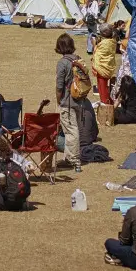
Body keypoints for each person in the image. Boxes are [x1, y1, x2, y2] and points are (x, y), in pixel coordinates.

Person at [54, 33, 83, 173]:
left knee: (71, 131)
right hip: (79, 99)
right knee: (73, 128)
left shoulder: (63, 63)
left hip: (68, 101)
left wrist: (58, 100)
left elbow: (59, 86)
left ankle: (72, 159)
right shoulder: (78, 59)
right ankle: (72, 157)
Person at [91, 26, 118, 105]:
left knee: (102, 91)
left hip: (102, 68)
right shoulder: (112, 41)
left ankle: (106, 107)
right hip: (108, 66)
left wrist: (94, 44)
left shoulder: (104, 43)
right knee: (105, 90)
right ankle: (110, 103)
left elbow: (97, 53)